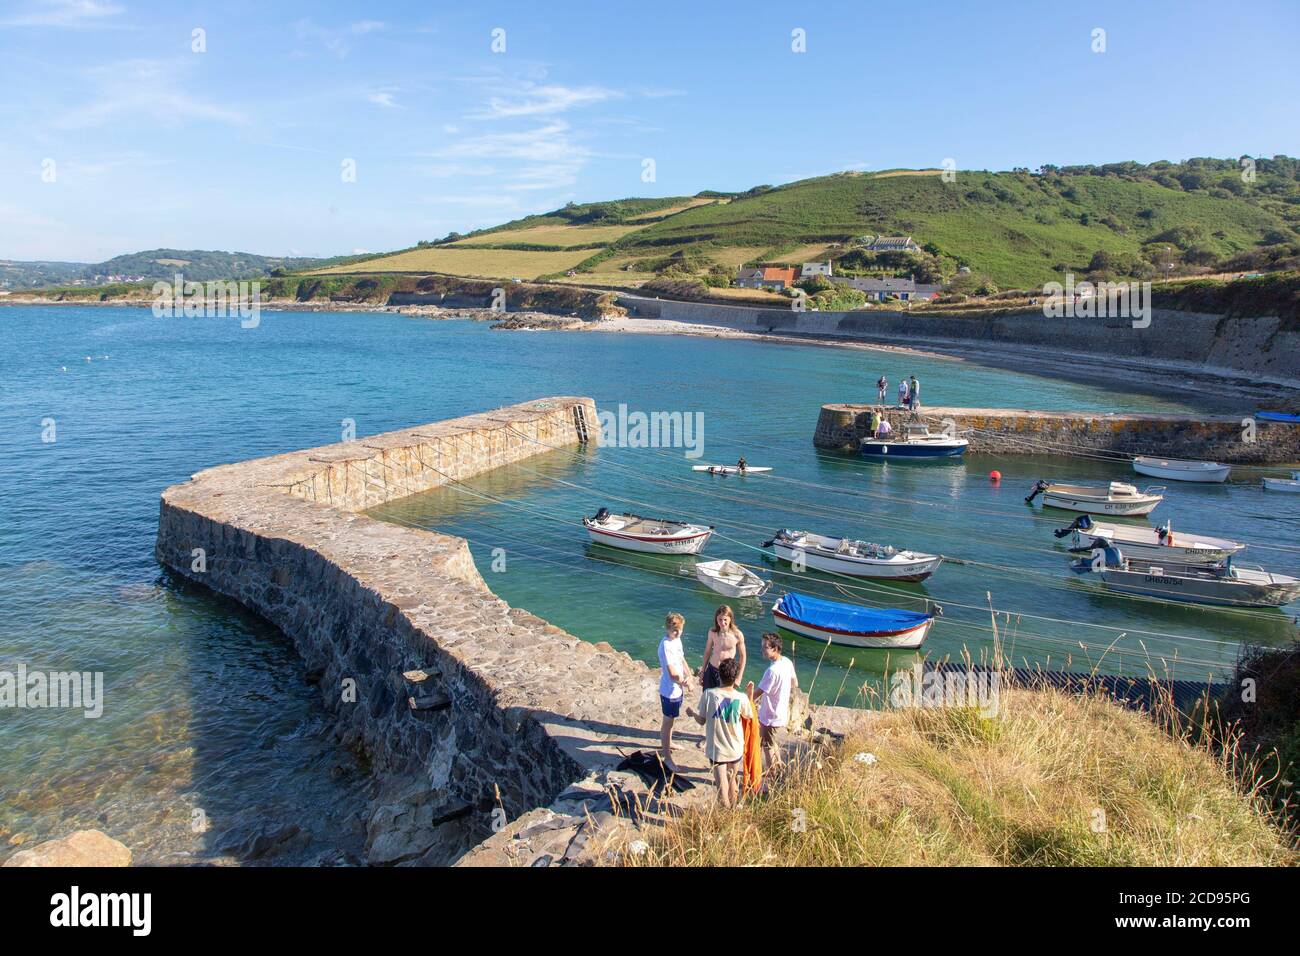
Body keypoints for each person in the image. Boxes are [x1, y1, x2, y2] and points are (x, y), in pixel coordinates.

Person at [687, 656, 752, 808]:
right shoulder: (741, 697)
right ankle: (735, 814)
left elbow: (702, 720)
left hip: (718, 750)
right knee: (733, 783)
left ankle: (725, 817)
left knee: (722, 790)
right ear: (735, 678)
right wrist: (749, 695)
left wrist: (692, 713)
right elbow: (749, 715)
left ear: (718, 675)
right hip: (735, 748)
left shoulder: (709, 694)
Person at [747, 633, 798, 773]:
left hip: (770, 714)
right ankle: (778, 766)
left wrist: (744, 701)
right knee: (772, 741)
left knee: (767, 745)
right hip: (781, 711)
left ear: (775, 648)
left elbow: (757, 693)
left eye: (765, 647)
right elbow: (795, 683)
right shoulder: (786, 662)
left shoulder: (772, 671)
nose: (762, 650)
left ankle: (772, 773)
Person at [657, 612, 691, 773]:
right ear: (668, 628)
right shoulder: (665, 646)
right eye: (674, 630)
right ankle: (667, 757)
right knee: (667, 722)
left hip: (677, 689)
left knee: (672, 721)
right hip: (669, 691)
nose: (677, 633)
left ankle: (669, 743)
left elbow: (682, 659)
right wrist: (683, 681)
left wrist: (689, 674)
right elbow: (671, 673)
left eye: (679, 630)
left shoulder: (676, 641)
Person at [700, 605, 746, 690]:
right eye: (720, 619)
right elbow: (707, 652)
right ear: (716, 619)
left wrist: (739, 677)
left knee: (723, 700)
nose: (722, 622)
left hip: (727, 673)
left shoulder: (737, 635)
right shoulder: (712, 632)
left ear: (730, 619)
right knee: (708, 697)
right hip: (711, 669)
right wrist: (703, 671)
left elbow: (743, 656)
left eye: (725, 619)